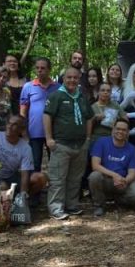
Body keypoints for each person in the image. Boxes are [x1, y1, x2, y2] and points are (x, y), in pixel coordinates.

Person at [43, 67, 94, 220]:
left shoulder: (82, 97)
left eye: (75, 78)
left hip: (80, 145)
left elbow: (89, 117)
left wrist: (88, 138)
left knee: (75, 178)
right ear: (63, 79)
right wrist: (49, 138)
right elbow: (47, 116)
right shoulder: (56, 96)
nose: (72, 80)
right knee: (58, 178)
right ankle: (56, 208)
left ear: (79, 79)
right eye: (69, 77)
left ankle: (71, 205)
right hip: (61, 144)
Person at [88, 118, 135, 217]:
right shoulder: (101, 142)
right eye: (118, 129)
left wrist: (125, 181)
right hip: (106, 179)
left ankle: (118, 200)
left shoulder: (131, 148)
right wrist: (114, 175)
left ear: (128, 132)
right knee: (94, 176)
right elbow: (95, 166)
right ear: (113, 130)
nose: (120, 132)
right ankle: (99, 205)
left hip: (122, 181)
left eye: (124, 130)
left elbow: (132, 173)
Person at [20, 57, 60, 172]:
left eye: (43, 68)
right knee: (35, 163)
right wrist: (24, 132)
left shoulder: (58, 87)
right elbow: (23, 111)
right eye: (37, 68)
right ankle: (35, 188)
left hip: (53, 132)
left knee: (55, 163)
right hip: (34, 131)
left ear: (49, 69)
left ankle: (54, 188)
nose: (39, 70)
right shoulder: (28, 87)